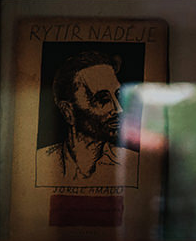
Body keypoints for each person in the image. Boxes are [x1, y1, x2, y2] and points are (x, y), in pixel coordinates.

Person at [36, 50, 138, 186]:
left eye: (118, 95)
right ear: (68, 112)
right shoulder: (39, 163)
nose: (119, 109)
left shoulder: (134, 164)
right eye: (102, 99)